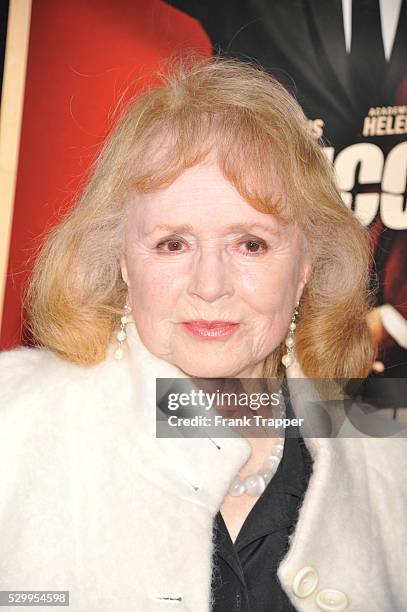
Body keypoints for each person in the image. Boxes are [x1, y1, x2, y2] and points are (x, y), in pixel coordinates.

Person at [0, 55, 406, 612]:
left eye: (251, 244)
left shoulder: (386, 451)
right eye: (173, 243)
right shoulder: (15, 425)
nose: (209, 285)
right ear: (121, 258)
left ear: (307, 263)